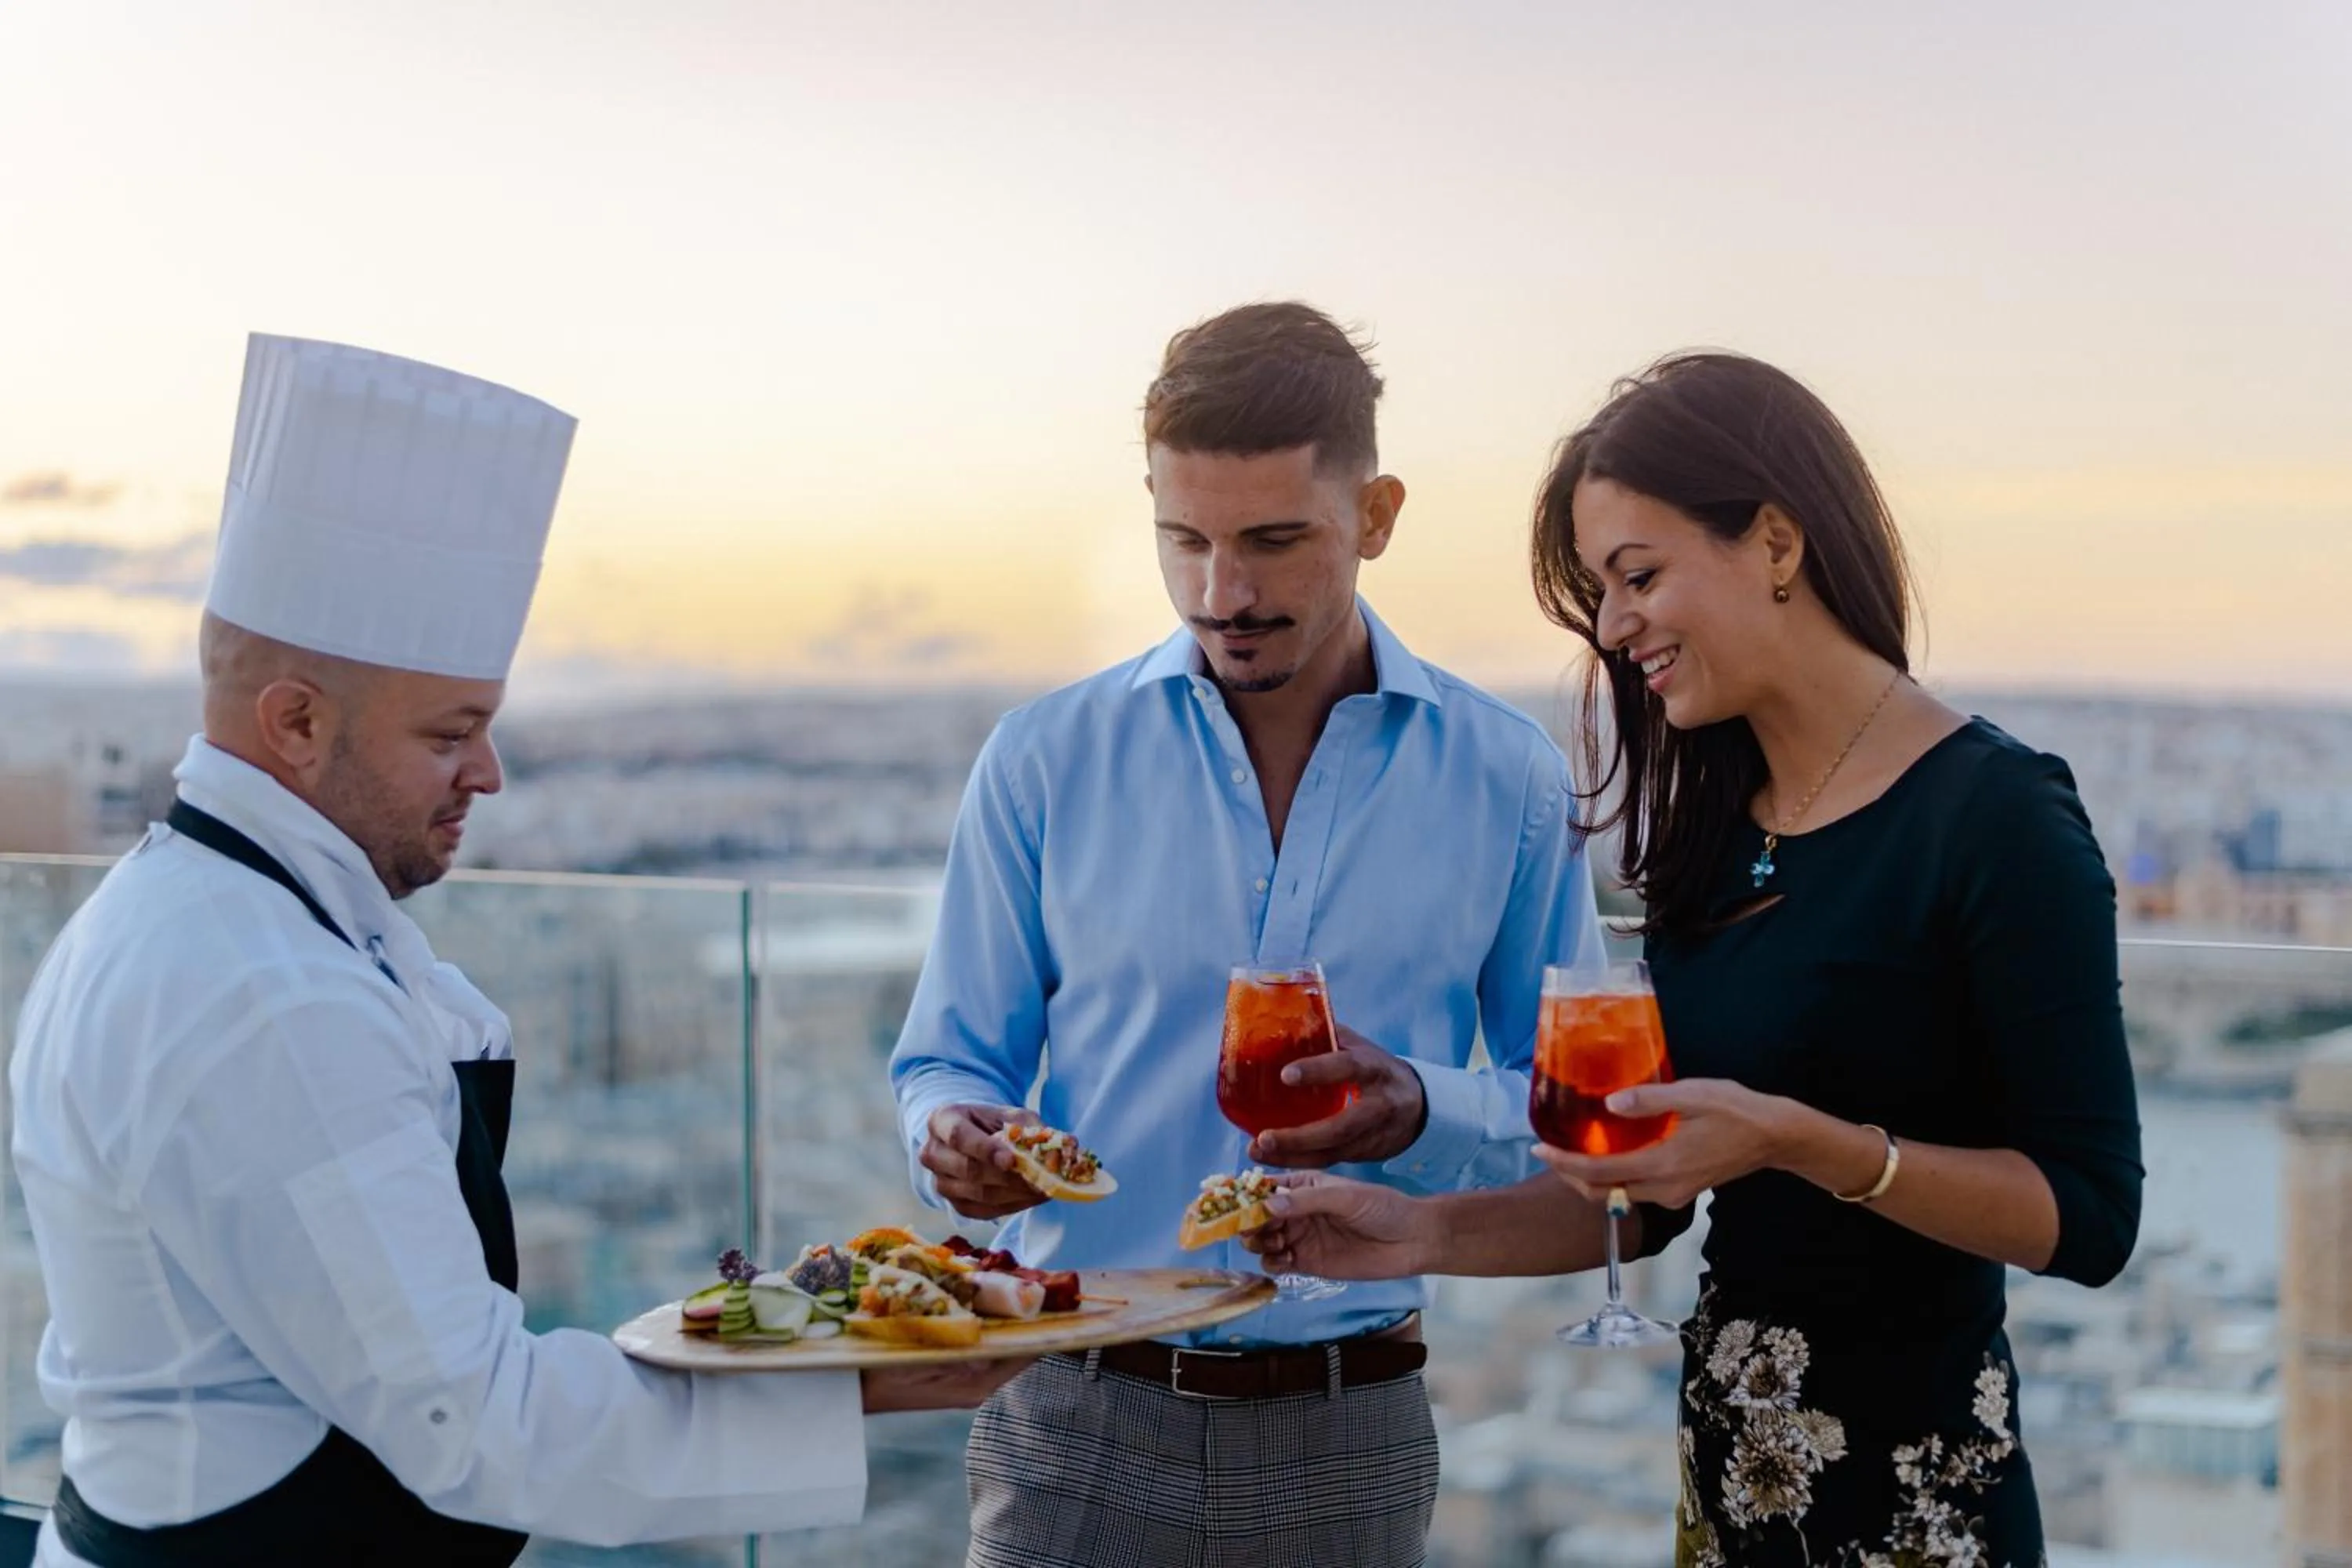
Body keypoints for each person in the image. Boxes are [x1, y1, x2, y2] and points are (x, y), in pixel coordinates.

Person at [8, 334, 1022, 1568]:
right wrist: (855, 1375)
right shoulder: (274, 999)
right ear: (296, 722)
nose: (488, 772)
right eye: (452, 733)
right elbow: (476, 1425)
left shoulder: (170, 909)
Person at [1243, 350, 2143, 1568]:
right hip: (1726, 1482)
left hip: (1917, 1501)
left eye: (1638, 576)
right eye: (1604, 594)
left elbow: (2090, 1219)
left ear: (1776, 543)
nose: (1614, 627)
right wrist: (1416, 1235)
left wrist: (1794, 1139)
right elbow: (1654, 1206)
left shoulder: (1996, 818)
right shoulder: (1720, 830)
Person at [887, 300, 1605, 1568]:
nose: (1227, 594)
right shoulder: (1042, 762)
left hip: (1353, 1427)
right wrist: (951, 1133)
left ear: (1376, 517)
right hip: (1069, 1412)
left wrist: (1425, 1108)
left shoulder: (1510, 779)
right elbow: (946, 1060)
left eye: (1276, 541)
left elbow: (1579, 1113)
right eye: (1187, 541)